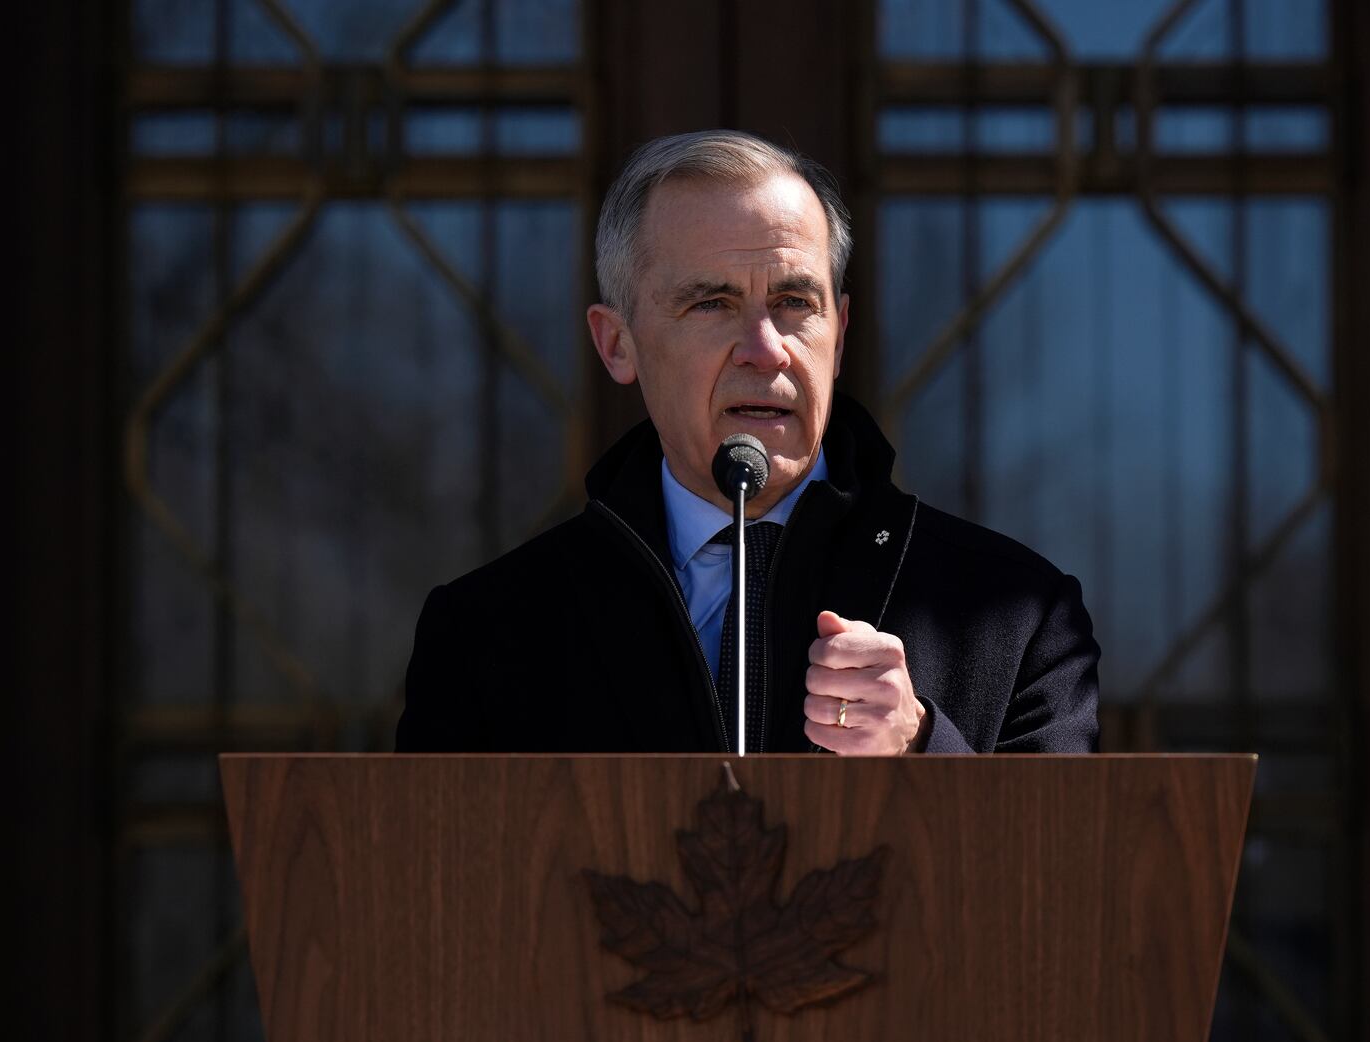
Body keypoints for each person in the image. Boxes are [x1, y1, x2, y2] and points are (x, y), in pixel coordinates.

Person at [395, 130, 1099, 755]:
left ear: (840, 332)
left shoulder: (1021, 616)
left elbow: (1061, 890)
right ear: (617, 344)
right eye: (712, 303)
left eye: (795, 303)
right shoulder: (487, 633)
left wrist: (922, 748)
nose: (765, 350)